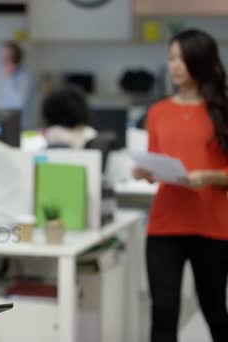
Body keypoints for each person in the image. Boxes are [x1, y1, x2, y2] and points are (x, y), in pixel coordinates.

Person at [132, 29, 228, 342]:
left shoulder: (222, 110)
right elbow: (157, 162)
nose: (174, 65)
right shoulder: (158, 112)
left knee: (215, 310)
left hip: (212, 227)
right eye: (171, 58)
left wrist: (208, 177)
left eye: (182, 58)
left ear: (200, 61)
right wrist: (145, 171)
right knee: (163, 313)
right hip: (165, 225)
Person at [1, 40, 33, 128]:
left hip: (21, 127)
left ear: (15, 58)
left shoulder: (25, 76)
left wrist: (9, 78)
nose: (3, 60)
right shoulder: (10, 76)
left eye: (6, 57)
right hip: (10, 124)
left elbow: (17, 105)